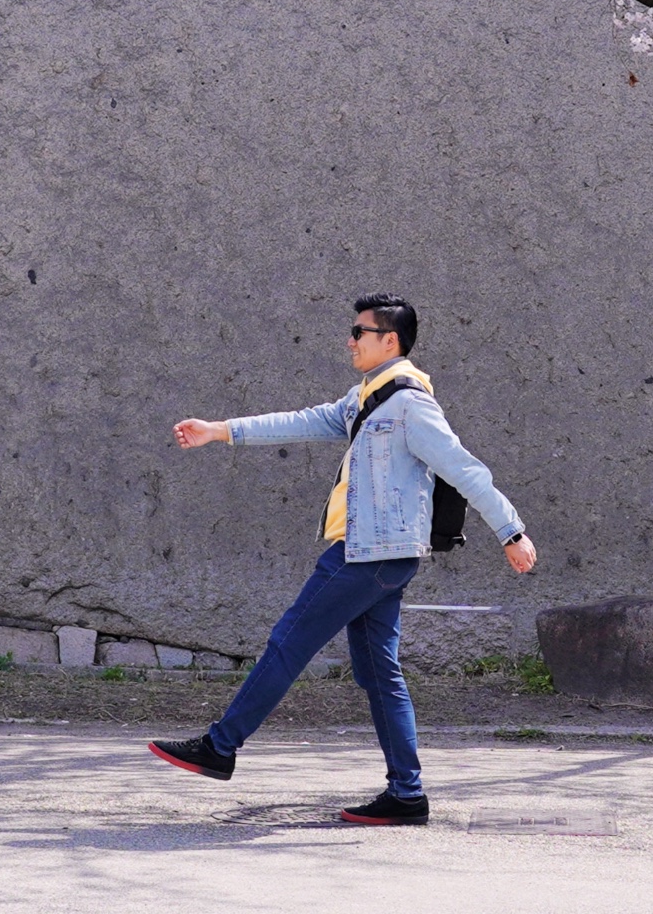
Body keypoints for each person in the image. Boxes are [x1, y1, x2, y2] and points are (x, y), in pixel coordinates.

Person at [148, 292, 536, 824]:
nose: (350, 340)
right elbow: (302, 421)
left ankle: (221, 745)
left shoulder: (410, 404)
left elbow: (465, 468)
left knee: (289, 641)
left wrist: (511, 531)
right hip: (375, 556)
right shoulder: (365, 399)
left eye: (360, 332)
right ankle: (406, 795)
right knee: (380, 675)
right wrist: (220, 431)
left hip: (367, 559)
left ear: (389, 340)